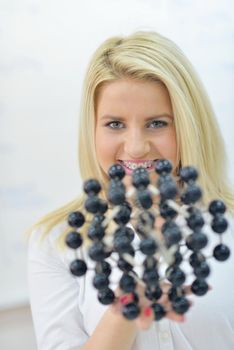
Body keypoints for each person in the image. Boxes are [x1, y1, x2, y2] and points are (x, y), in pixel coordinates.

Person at [27, 31, 234, 350]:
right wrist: (124, 313)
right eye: (114, 124)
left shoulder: (225, 223)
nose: (136, 148)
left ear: (188, 125)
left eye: (157, 123)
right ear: (92, 128)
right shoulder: (56, 240)